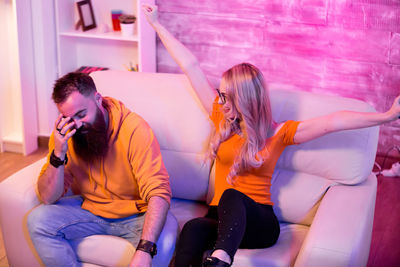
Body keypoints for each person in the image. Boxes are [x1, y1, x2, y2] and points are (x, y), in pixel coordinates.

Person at [142, 4, 400, 267]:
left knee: (232, 195)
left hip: (259, 224)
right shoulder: (223, 118)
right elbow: (191, 66)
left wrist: (387, 116)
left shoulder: (279, 133)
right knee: (193, 228)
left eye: (229, 99)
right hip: (220, 219)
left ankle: (220, 261)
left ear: (247, 100)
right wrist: (156, 25)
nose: (223, 104)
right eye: (222, 97)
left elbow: (334, 121)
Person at [27, 72, 172, 267]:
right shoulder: (66, 134)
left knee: (161, 246)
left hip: (136, 215)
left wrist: (145, 249)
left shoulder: (135, 129)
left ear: (97, 99)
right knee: (38, 220)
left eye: (81, 114)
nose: (77, 124)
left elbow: (158, 191)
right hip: (90, 210)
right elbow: (47, 197)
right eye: (69, 118)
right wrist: (58, 154)